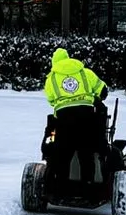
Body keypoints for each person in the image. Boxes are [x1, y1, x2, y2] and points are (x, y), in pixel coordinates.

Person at [43, 47, 109, 188]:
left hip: (64, 119)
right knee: (86, 152)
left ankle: (62, 185)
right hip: (86, 117)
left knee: (63, 153)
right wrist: (93, 99)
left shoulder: (51, 79)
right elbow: (103, 91)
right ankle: (89, 185)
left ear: (54, 62)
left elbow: (51, 100)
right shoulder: (85, 72)